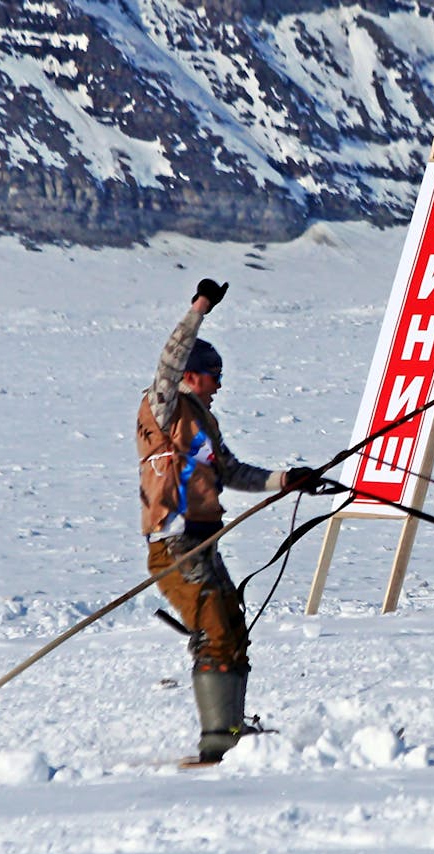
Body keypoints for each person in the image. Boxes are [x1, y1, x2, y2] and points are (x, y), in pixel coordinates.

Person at [135, 278, 325, 763]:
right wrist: (200, 307)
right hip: (175, 544)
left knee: (232, 628)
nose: (219, 383)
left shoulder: (202, 420)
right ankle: (217, 738)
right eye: (213, 374)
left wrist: (288, 480)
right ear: (192, 375)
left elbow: (232, 471)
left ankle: (233, 726)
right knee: (214, 631)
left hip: (203, 542)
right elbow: (169, 358)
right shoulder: (166, 406)